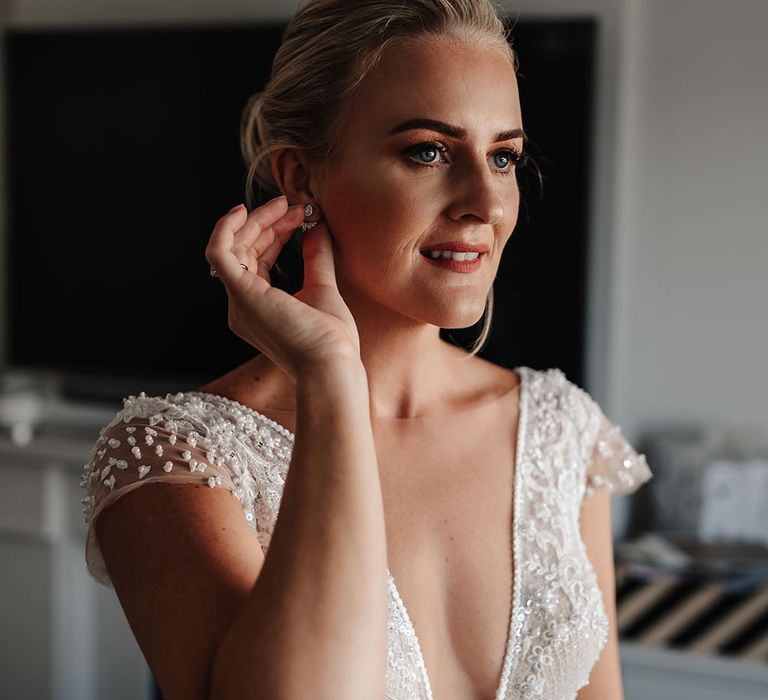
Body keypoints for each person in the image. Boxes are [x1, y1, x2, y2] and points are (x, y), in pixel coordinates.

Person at [80, 1, 653, 698]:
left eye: (502, 156)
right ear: (300, 177)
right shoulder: (176, 461)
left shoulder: (562, 431)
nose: (486, 203)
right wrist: (331, 382)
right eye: (429, 151)